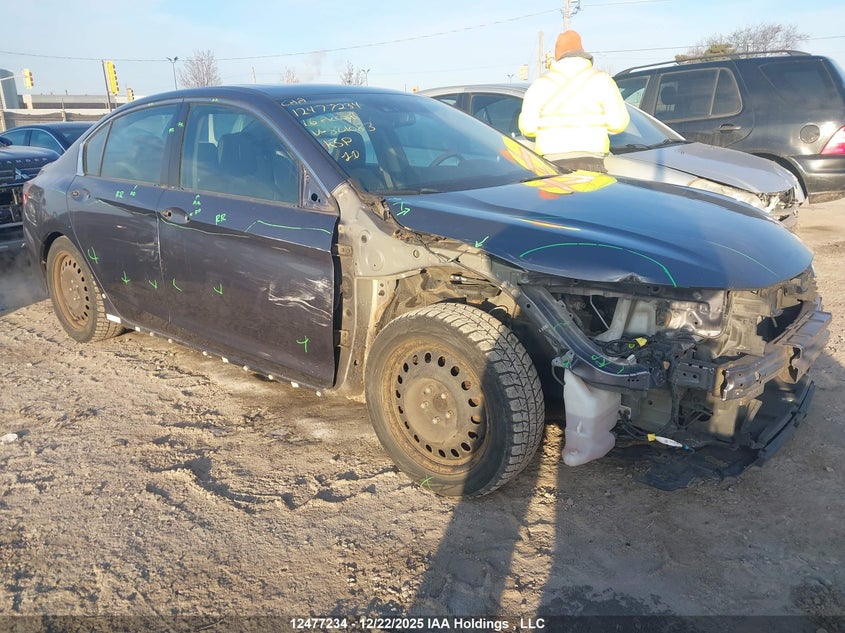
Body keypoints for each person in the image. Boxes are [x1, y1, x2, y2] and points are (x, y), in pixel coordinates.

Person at [518, 29, 629, 173]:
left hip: (551, 163)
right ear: (582, 51)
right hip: (592, 160)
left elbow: (528, 127)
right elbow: (618, 123)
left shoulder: (540, 84)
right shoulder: (602, 79)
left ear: (557, 55)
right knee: (590, 196)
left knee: (560, 194)